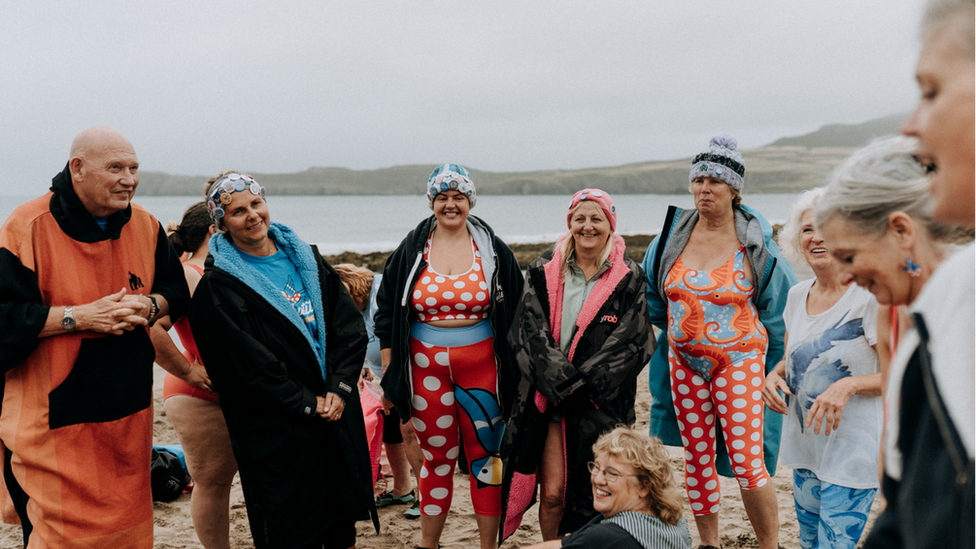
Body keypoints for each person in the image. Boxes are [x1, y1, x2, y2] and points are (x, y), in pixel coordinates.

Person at [0, 126, 190, 548]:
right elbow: (4, 319)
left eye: (134, 168)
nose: (129, 179)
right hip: (50, 422)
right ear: (78, 168)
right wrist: (78, 317)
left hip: (128, 416)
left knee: (129, 535)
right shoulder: (27, 226)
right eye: (116, 168)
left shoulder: (145, 224)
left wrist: (150, 306)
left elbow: (176, 292)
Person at [188, 171, 378, 549]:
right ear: (220, 223)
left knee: (342, 526)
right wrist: (309, 404)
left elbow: (348, 329)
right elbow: (245, 366)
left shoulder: (306, 258)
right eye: (238, 211)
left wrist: (339, 389)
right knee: (292, 529)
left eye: (256, 203)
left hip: (335, 414)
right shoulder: (219, 287)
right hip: (278, 429)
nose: (252, 215)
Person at [642, 136, 796, 549]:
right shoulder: (670, 240)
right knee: (696, 459)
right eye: (698, 180)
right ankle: (707, 544)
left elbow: (782, 307)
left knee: (748, 462)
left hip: (740, 361)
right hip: (684, 364)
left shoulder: (756, 244)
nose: (704, 189)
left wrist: (777, 367)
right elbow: (654, 300)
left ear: (733, 189)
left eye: (714, 181)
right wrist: (681, 333)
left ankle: (769, 546)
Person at [374, 164, 524, 549]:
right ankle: (428, 544)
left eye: (458, 197)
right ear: (431, 202)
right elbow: (387, 308)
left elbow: (519, 305)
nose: (450, 204)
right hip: (425, 369)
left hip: (482, 367)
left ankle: (488, 546)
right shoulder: (412, 247)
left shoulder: (491, 248)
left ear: (471, 201)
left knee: (486, 458)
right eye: (442, 198)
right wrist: (391, 372)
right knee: (436, 459)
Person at [500, 189, 654, 542]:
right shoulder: (542, 269)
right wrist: (564, 386)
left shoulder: (630, 276)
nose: (588, 226)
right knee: (553, 495)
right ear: (569, 223)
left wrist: (585, 388)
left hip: (601, 402)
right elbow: (527, 332)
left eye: (596, 218)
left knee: (597, 494)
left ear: (610, 224)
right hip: (552, 399)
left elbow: (634, 341)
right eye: (579, 218)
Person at [762, 188, 883, 549]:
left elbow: (901, 373)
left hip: (853, 452)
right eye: (807, 229)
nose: (816, 237)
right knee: (809, 541)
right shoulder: (797, 296)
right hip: (805, 448)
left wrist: (848, 386)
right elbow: (796, 356)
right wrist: (773, 376)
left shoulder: (871, 296)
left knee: (835, 545)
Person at [149, 200, 238, 549]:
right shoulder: (191, 272)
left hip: (232, 390)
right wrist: (188, 371)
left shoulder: (225, 268)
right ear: (215, 230)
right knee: (215, 483)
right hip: (199, 393)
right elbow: (153, 328)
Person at [334, 263, 423, 518]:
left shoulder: (381, 294)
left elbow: (398, 338)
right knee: (391, 433)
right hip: (381, 378)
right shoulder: (357, 307)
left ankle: (427, 496)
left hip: (406, 375)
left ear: (352, 289)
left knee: (410, 433)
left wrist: (393, 385)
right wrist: (363, 365)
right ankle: (402, 489)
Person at [523, 426, 691, 549]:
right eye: (596, 467)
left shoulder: (608, 538)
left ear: (644, 487)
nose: (597, 479)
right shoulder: (676, 522)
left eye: (612, 473)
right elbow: (561, 545)